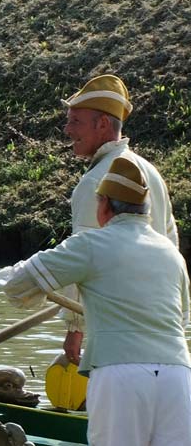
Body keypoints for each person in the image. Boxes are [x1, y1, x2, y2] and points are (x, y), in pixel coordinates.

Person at [0, 156, 191, 446]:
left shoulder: (91, 244)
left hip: (121, 376)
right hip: (178, 377)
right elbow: (183, 317)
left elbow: (19, 284)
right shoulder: (171, 253)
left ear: (105, 206)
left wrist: (7, 275)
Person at [59, 74, 180, 365]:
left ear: (102, 124)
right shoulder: (148, 170)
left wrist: (75, 327)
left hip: (117, 332)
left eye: (76, 121)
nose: (67, 129)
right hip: (161, 332)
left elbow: (83, 254)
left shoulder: (96, 184)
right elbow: (171, 244)